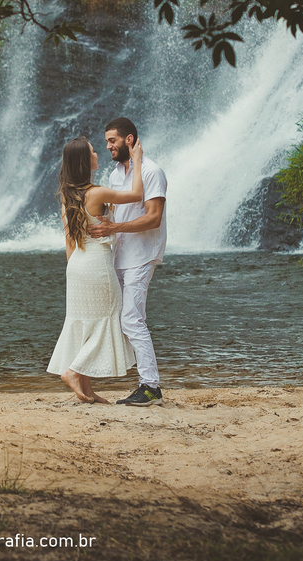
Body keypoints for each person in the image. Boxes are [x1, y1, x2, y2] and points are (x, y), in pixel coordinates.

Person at [47, 136, 143, 403]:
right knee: (108, 319)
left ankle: (87, 390)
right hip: (97, 265)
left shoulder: (68, 195)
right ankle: (74, 371)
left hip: (76, 265)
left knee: (86, 325)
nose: (97, 153)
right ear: (84, 160)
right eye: (92, 151)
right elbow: (137, 195)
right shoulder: (97, 193)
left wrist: (73, 271)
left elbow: (69, 240)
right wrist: (136, 160)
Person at [87, 117, 168, 407]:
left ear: (129, 140)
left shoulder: (151, 171)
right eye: (106, 141)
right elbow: (116, 216)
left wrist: (115, 227)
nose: (108, 146)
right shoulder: (114, 175)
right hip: (120, 256)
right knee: (121, 319)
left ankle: (151, 386)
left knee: (132, 319)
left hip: (142, 256)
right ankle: (138, 380)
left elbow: (153, 218)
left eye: (112, 140)